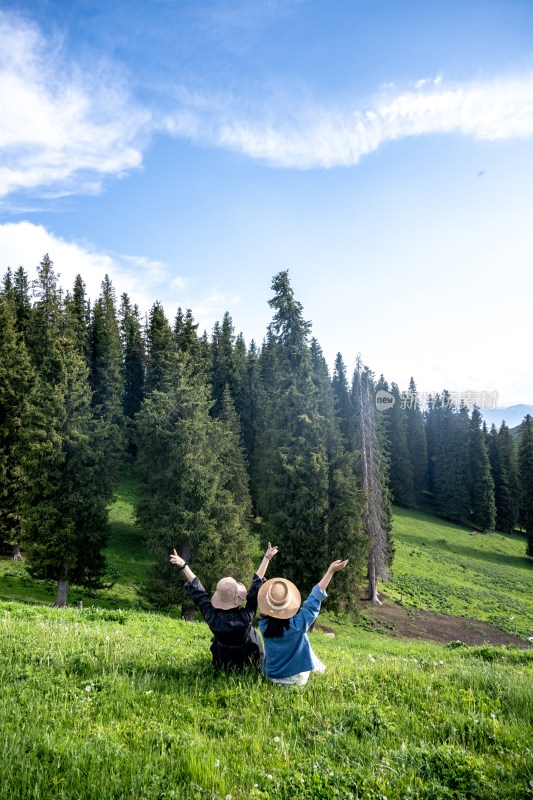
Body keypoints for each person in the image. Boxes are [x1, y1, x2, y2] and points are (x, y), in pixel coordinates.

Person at [170, 543, 278, 673]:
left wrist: (184, 565)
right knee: (253, 634)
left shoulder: (212, 618)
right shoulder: (246, 616)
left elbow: (199, 593)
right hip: (250, 663)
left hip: (223, 665)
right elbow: (256, 585)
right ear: (238, 598)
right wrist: (267, 558)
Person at [257, 559, 348, 686]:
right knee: (302, 639)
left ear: (268, 605)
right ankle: (321, 669)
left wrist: (266, 558)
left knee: (301, 638)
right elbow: (314, 599)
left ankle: (320, 668)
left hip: (270, 676)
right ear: (288, 605)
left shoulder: (263, 624)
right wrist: (331, 571)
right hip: (295, 679)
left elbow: (255, 587)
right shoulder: (298, 624)